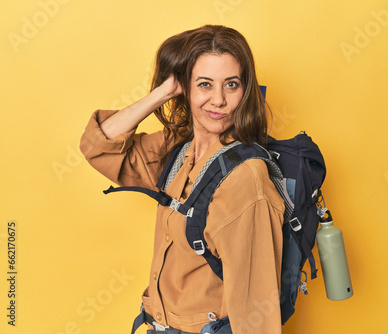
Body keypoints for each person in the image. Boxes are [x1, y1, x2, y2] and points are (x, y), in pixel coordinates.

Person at [80, 25, 285, 334]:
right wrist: (163, 92)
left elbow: (257, 310)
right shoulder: (178, 149)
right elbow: (99, 148)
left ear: (246, 90)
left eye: (231, 84)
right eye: (204, 84)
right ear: (185, 87)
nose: (218, 100)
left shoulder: (246, 177)